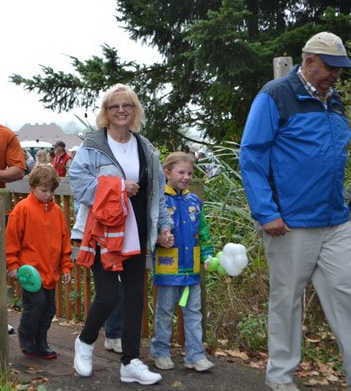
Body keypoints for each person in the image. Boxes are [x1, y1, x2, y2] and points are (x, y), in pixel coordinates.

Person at [240, 31, 351, 391]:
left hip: (336, 219)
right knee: (287, 301)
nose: (334, 74)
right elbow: (252, 156)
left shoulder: (333, 102)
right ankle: (281, 379)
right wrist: (265, 212)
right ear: (308, 62)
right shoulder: (276, 96)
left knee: (347, 295)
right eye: (329, 67)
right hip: (289, 222)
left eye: (339, 68)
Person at [69, 83, 173, 385]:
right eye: (114, 106)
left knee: (134, 299)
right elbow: (77, 182)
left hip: (137, 230)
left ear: (135, 109)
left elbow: (156, 194)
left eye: (127, 105)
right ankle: (85, 342)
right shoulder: (93, 145)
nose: (121, 111)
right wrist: (116, 187)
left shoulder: (146, 148)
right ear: (106, 112)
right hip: (103, 231)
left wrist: (164, 226)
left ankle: (130, 361)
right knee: (108, 295)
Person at [150, 151, 215, 372]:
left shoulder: (194, 201)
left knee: (193, 312)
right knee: (165, 312)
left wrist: (207, 255)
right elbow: (149, 231)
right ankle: (160, 351)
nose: (186, 177)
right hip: (168, 269)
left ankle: (195, 355)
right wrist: (159, 238)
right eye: (181, 172)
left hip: (192, 271)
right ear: (167, 172)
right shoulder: (159, 200)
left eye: (190, 172)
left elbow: (203, 231)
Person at [5, 165, 73, 359]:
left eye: (52, 191)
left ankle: (41, 341)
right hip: (30, 273)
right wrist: (13, 264)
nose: (48, 194)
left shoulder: (57, 212)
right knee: (35, 306)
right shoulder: (22, 209)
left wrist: (66, 266)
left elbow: (64, 241)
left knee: (49, 309)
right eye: (44, 190)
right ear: (32, 186)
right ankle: (27, 338)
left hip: (50, 271)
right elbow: (12, 239)